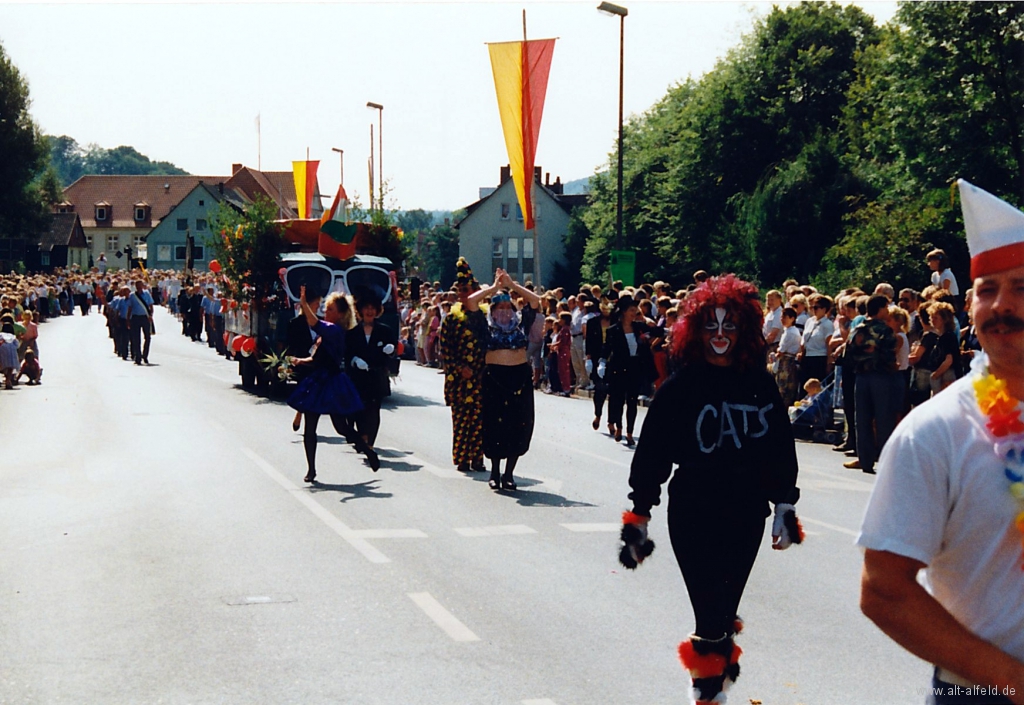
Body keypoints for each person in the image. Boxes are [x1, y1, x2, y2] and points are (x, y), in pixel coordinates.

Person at [859, 179, 1024, 705]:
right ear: (970, 305)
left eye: (1022, 286)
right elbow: (884, 588)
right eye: (988, 289)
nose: (1002, 305)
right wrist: (1012, 684)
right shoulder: (934, 432)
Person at [621, 274, 802, 705]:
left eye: (729, 327)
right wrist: (638, 516)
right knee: (709, 610)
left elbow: (779, 447)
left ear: (743, 331)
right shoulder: (681, 386)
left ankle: (711, 685)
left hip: (745, 512)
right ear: (695, 331)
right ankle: (706, 694)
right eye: (711, 327)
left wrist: (785, 506)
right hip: (693, 512)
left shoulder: (758, 383)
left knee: (724, 610)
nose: (720, 336)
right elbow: (652, 452)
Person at [288, 286, 376, 482]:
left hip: (332, 381)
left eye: (330, 310)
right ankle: (311, 469)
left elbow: (313, 322)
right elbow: (316, 359)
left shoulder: (335, 330)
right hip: (317, 379)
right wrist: (299, 360)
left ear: (341, 314)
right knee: (310, 427)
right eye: (326, 309)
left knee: (341, 427)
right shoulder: (326, 333)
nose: (326, 312)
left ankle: (367, 451)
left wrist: (303, 302)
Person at [466, 268, 542, 491]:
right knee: (494, 425)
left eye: (508, 307)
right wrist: (494, 288)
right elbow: (471, 302)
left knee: (519, 424)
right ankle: (495, 471)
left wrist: (513, 286)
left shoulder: (522, 324)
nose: (504, 311)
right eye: (499, 307)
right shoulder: (484, 326)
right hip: (494, 378)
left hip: (519, 378)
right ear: (492, 310)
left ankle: (509, 473)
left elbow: (536, 301)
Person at [439, 258, 488, 473]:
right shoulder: (451, 319)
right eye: (459, 290)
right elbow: (445, 350)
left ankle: (478, 458)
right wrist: (460, 368)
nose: (462, 294)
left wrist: (480, 370)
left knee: (479, 421)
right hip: (459, 380)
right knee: (460, 421)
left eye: (466, 289)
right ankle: (462, 459)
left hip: (481, 379)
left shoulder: (486, 317)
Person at [844, 294, 901, 474]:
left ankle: (865, 459)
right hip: (881, 377)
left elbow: (848, 354)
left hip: (860, 377)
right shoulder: (885, 330)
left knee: (862, 418)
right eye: (886, 307)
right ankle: (885, 460)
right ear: (880, 308)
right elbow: (889, 354)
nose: (888, 311)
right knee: (884, 418)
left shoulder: (857, 329)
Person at [345, 288, 398, 452]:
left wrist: (391, 350)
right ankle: (361, 436)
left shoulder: (385, 330)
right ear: (360, 310)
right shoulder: (352, 332)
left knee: (373, 411)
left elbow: (392, 351)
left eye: (372, 308)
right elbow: (347, 354)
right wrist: (355, 360)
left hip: (376, 377)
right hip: (358, 377)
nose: (369, 311)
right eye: (366, 308)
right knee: (358, 409)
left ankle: (369, 442)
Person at [606, 296, 657, 446]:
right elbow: (607, 348)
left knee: (632, 401)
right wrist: (601, 362)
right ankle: (619, 427)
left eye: (636, 310)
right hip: (619, 368)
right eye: (631, 310)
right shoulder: (613, 330)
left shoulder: (639, 327)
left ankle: (630, 432)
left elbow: (657, 331)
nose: (634, 313)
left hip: (635, 367)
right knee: (619, 399)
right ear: (623, 312)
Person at [286, 291, 323, 433]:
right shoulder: (295, 323)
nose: (317, 307)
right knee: (304, 389)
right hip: (302, 361)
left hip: (317, 361)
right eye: (315, 304)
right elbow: (291, 344)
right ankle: (300, 413)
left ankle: (303, 415)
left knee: (314, 391)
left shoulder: (321, 322)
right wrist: (290, 361)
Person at [584, 301, 613, 432]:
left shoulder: (616, 322)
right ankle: (598, 415)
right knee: (599, 389)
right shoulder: (593, 322)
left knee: (613, 391)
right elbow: (589, 340)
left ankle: (612, 421)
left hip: (612, 357)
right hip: (596, 357)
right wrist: (588, 358)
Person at [126, 280, 154, 365]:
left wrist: (150, 315)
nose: (139, 287)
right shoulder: (132, 295)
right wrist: (128, 320)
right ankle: (137, 357)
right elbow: (130, 308)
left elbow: (150, 305)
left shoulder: (147, 294)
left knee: (148, 337)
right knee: (136, 338)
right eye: (137, 285)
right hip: (135, 318)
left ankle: (145, 356)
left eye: (140, 285)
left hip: (145, 317)